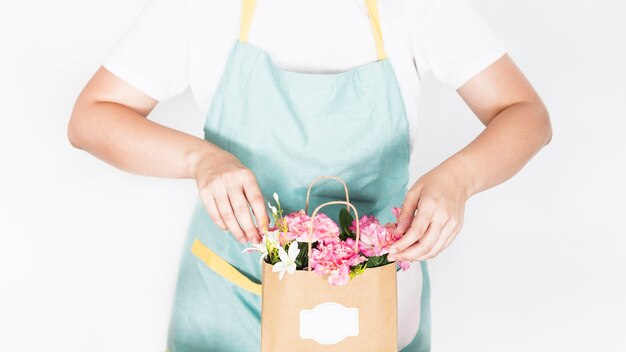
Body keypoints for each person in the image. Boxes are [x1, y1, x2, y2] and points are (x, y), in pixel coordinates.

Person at [67, 0, 552, 350]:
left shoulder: (415, 7)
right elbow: (92, 118)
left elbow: (525, 113)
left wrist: (459, 179)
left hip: (372, 297)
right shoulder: (201, 7)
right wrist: (201, 160)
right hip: (232, 297)